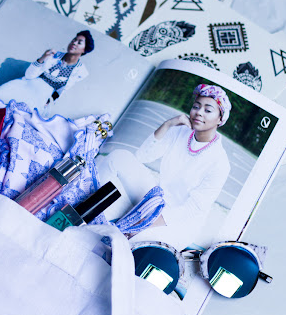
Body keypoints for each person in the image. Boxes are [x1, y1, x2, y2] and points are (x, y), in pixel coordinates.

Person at [97, 84, 232, 247]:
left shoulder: (220, 163)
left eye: (208, 110)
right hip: (156, 200)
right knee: (119, 157)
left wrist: (143, 223)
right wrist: (168, 124)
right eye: (196, 106)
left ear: (220, 119)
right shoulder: (181, 131)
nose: (199, 112)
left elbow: (192, 208)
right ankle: (90, 208)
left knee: (127, 241)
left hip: (179, 224)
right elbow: (143, 156)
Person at [0, 30, 94, 111]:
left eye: (79, 42)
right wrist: (43, 58)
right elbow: (29, 76)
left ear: (85, 50)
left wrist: (50, 101)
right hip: (26, 84)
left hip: (41, 96)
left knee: (19, 112)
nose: (74, 43)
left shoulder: (80, 71)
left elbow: (62, 90)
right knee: (0, 95)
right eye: (74, 40)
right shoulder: (53, 55)